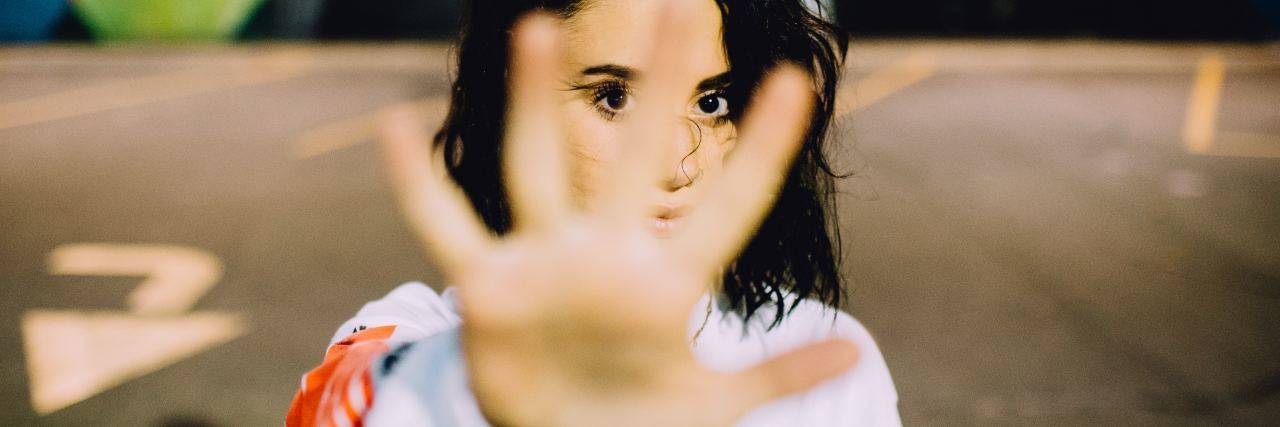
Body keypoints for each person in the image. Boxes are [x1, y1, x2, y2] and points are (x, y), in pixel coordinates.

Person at [287, 0, 901, 425]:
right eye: (614, 97)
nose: (675, 164)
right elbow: (341, 405)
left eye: (715, 100)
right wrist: (471, 395)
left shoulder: (820, 359)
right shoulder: (419, 345)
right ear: (510, 100)